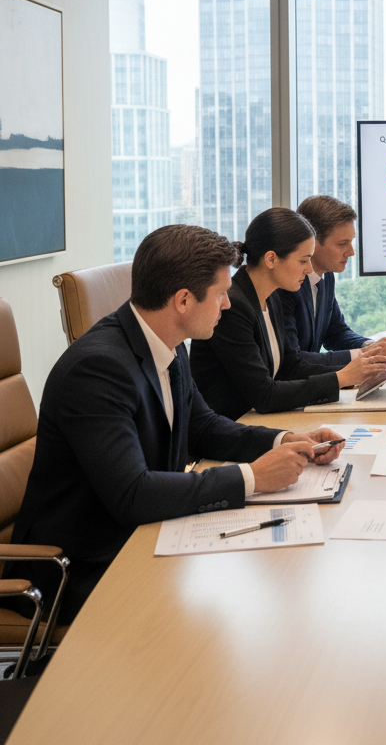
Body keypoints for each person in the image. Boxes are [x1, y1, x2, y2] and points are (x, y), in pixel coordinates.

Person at [11, 225, 344, 620]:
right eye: (221, 294)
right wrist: (253, 477)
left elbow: (203, 428)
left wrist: (285, 440)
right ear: (183, 300)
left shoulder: (167, 342)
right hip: (79, 569)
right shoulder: (97, 368)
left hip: (145, 536)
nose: (227, 304)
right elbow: (133, 494)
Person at [190, 207, 386, 421]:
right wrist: (341, 378)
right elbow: (265, 395)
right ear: (271, 259)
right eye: (303, 261)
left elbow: (290, 366)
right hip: (233, 427)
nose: (309, 269)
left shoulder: (271, 298)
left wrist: (361, 371)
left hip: (256, 421)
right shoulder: (234, 306)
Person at [282, 195, 386, 368]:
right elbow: (292, 360)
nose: (351, 252)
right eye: (342, 244)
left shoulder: (326, 277)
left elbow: (336, 333)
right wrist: (364, 355)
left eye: (351, 242)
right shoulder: (286, 285)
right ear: (311, 242)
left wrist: (373, 347)